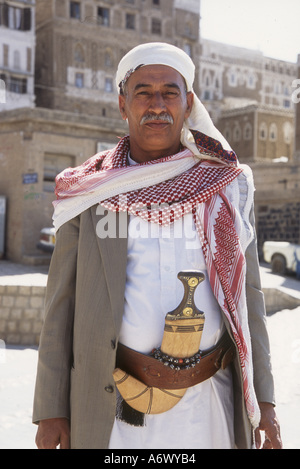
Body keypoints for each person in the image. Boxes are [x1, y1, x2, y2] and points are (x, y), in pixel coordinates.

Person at [33, 42, 282, 450]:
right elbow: (60, 305)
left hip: (209, 405)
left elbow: (249, 300)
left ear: (188, 104)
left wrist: (266, 403)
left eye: (170, 92)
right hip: (117, 411)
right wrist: (50, 408)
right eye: (143, 92)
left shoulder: (225, 185)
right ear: (122, 104)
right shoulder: (89, 193)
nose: (157, 104)